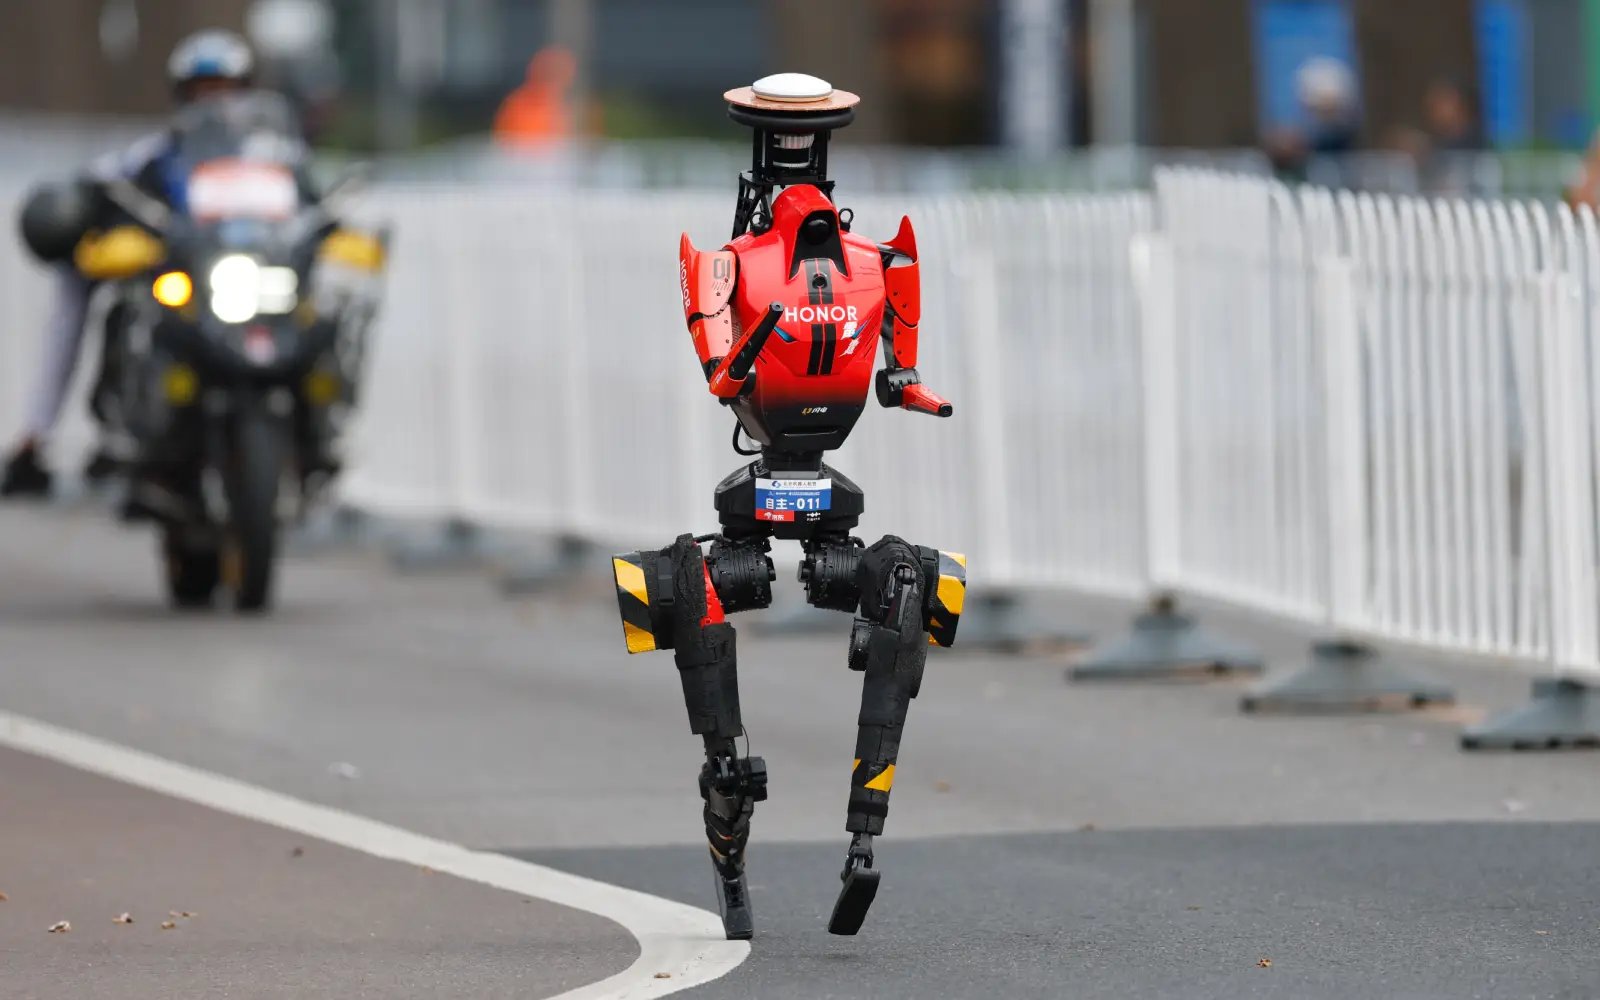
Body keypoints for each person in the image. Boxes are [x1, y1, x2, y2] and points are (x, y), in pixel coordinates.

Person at [1, 30, 257, 498]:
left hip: (250, 283)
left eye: (225, 90)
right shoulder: (159, 156)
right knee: (79, 293)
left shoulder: (268, 157)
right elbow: (100, 178)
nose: (215, 103)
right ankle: (43, 432)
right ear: (183, 95)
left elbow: (309, 195)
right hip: (183, 280)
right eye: (204, 91)